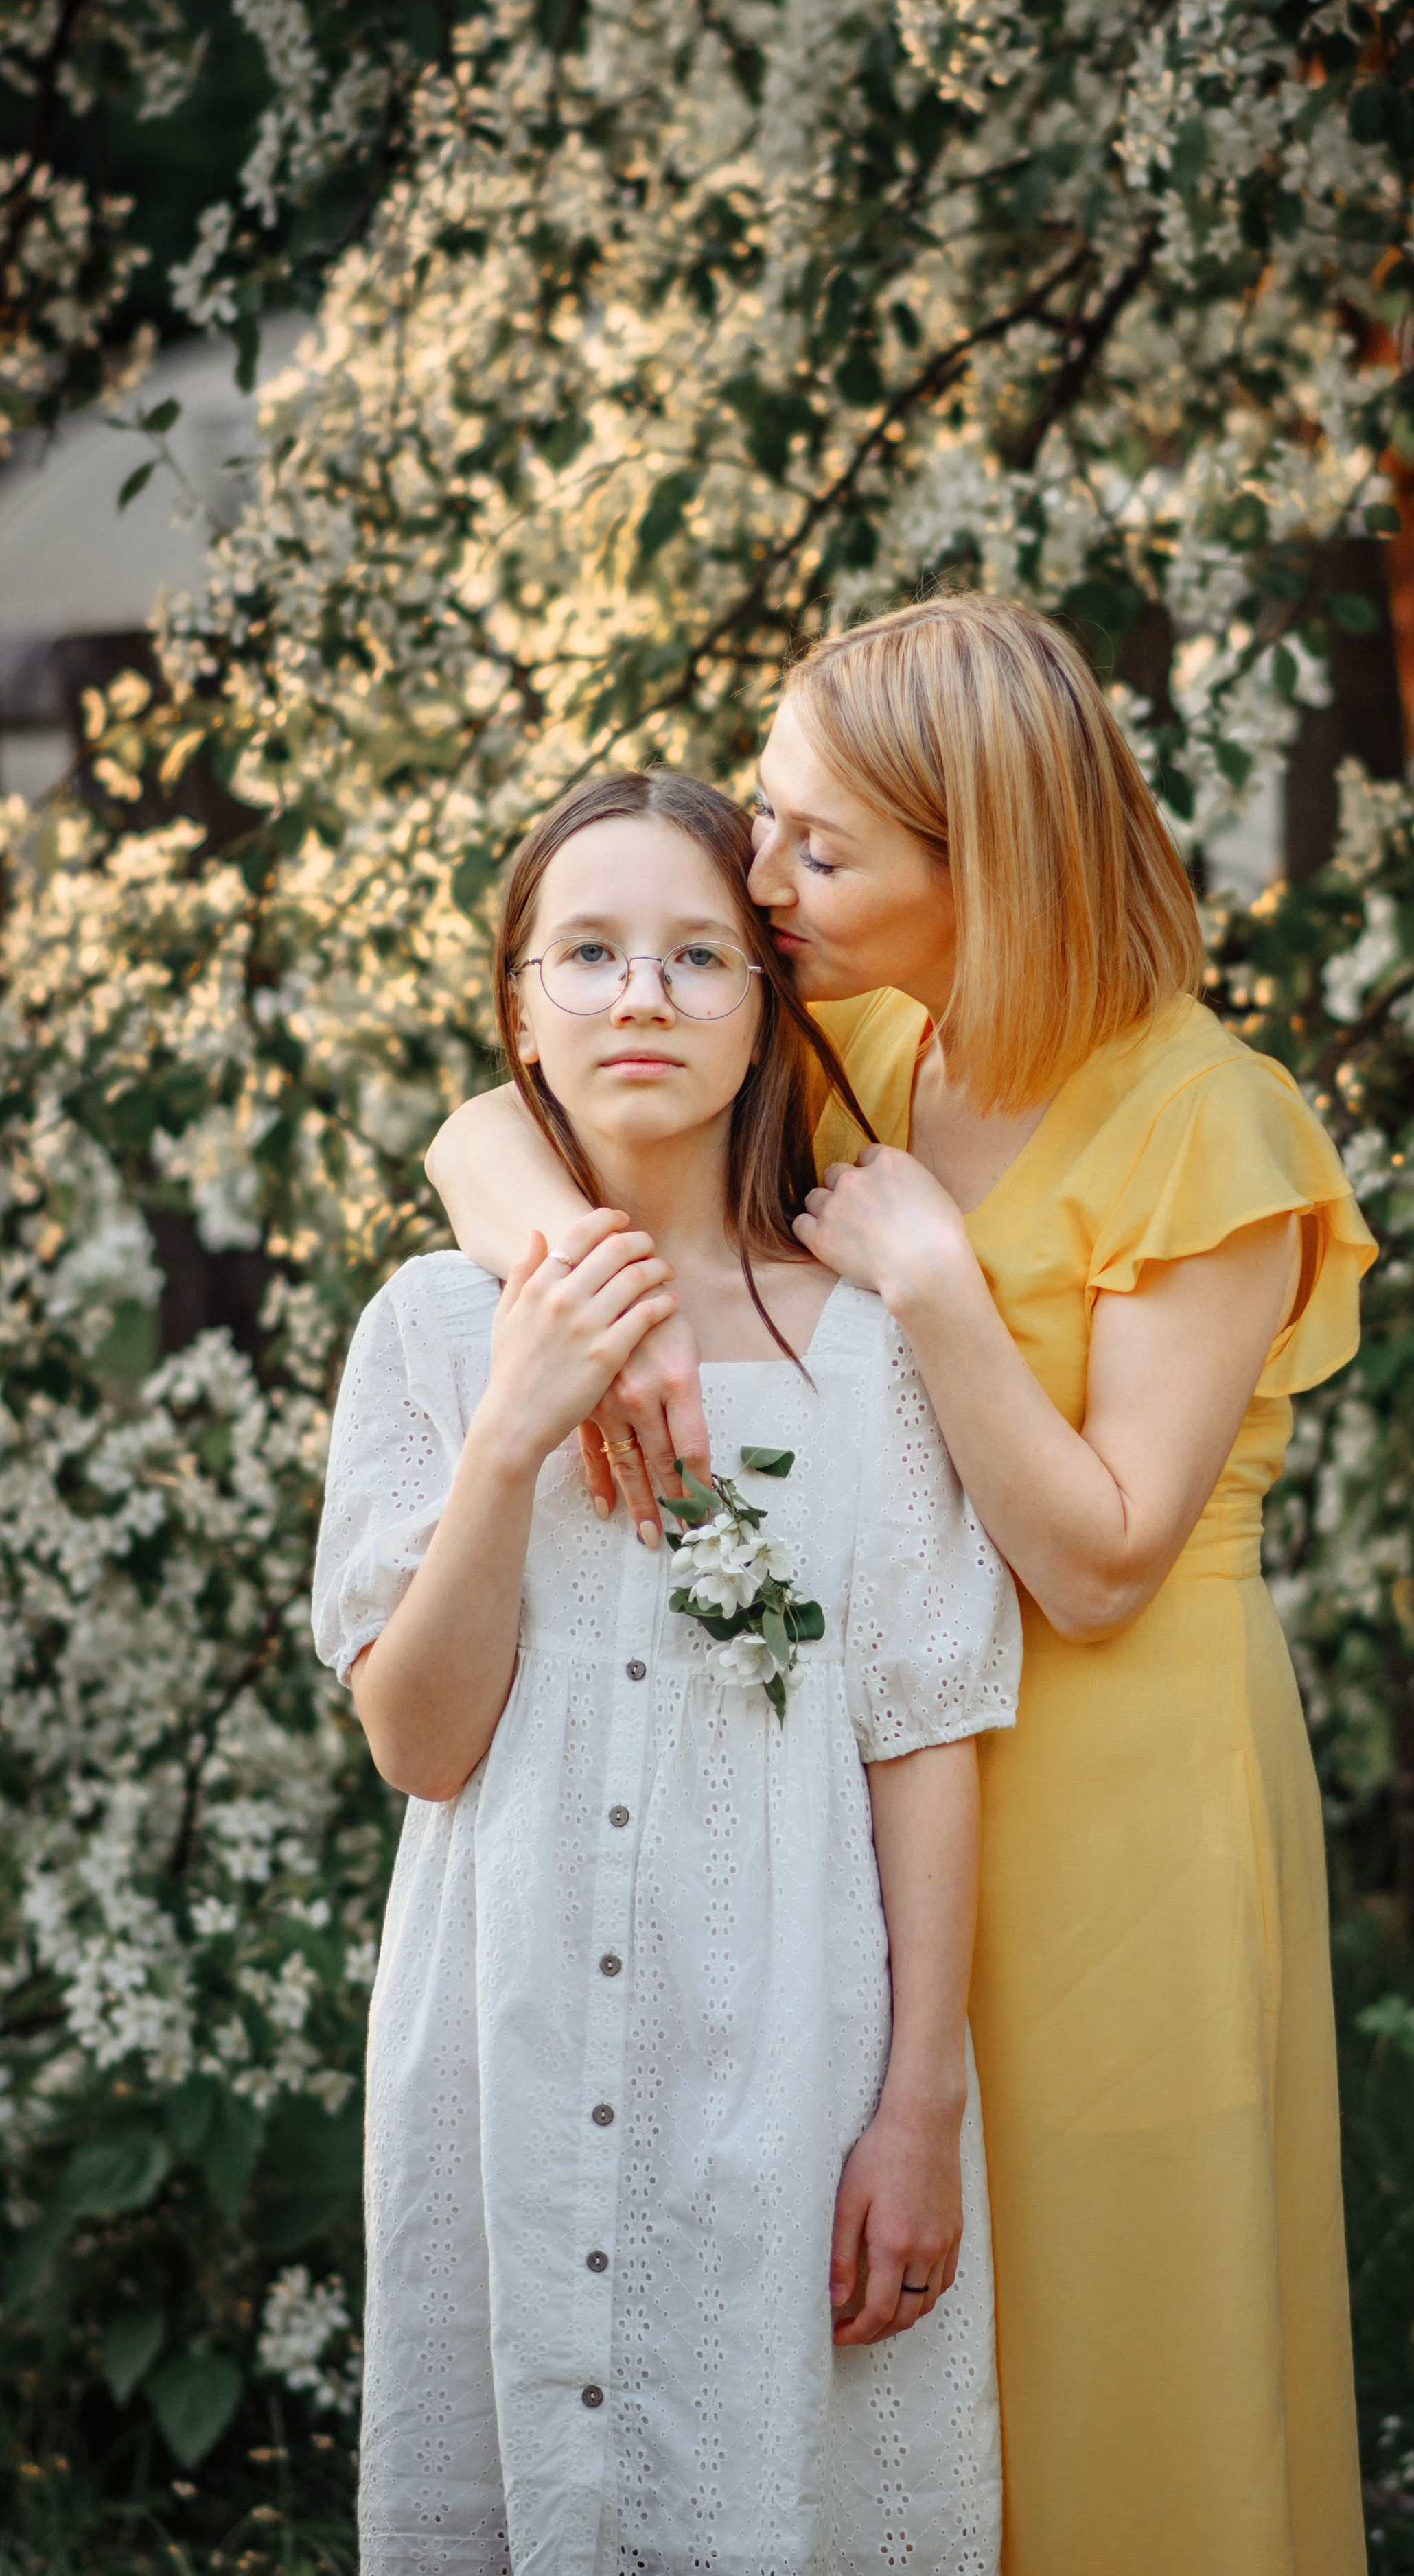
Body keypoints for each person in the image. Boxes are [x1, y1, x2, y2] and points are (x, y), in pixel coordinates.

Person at [427, 597, 1378, 2576]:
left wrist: (940, 1287)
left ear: (989, 864)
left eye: (820, 850)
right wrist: (587, 1300)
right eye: (771, 826)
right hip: (866, 1804)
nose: (765, 887)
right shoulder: (866, 1036)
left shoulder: (1213, 1121)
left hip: (1121, 1814)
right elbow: (487, 1119)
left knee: (1115, 2352)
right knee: (892, 2386)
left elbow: (1105, 1559)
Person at [314, 767, 1021, 2576]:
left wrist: (918, 2101)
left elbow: (924, 1725)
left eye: (700, 955)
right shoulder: (433, 1323)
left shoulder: (861, 1346)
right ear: (521, 1011)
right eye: (594, 954)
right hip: (516, 2032)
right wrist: (510, 1436)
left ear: (771, 1007)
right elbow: (418, 1737)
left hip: (791, 2041)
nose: (643, 995)